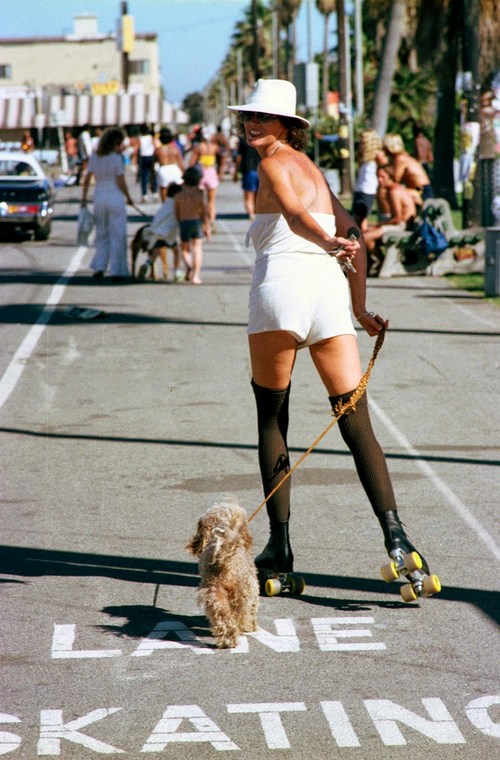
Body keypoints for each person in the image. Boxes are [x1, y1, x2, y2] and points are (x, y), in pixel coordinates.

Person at [227, 79, 434, 582]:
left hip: (282, 289)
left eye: (264, 119)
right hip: (327, 298)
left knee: (272, 418)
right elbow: (355, 235)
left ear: (288, 127)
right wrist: (359, 307)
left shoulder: (271, 164)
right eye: (249, 118)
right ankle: (398, 539)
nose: (254, 125)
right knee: (354, 417)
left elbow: (297, 218)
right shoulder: (314, 170)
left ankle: (280, 548)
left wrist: (324, 240)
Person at [81, 126, 134, 282]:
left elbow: (87, 179)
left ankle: (99, 266)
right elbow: (121, 181)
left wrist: (83, 199)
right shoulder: (116, 159)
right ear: (116, 143)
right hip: (115, 197)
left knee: (102, 234)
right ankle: (117, 270)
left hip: (99, 197)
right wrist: (128, 197)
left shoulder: (95, 157)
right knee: (118, 235)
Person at [363, 166, 418, 276]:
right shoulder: (395, 189)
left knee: (364, 237)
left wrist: (376, 225)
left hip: (403, 226)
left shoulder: (394, 191)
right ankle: (378, 263)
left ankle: (376, 263)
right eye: (378, 176)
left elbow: (397, 219)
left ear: (390, 177)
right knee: (367, 237)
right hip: (402, 224)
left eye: (383, 177)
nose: (379, 179)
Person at [139, 182, 184, 281]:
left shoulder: (165, 204)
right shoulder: (176, 204)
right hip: (168, 234)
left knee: (155, 253)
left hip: (156, 233)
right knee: (177, 251)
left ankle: (146, 264)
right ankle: (177, 272)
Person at [174, 166, 210, 284]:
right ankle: (196, 275)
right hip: (196, 222)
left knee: (184, 249)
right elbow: (204, 212)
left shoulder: (179, 195)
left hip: (184, 222)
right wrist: (207, 227)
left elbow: (176, 212)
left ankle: (189, 266)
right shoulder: (199, 195)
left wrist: (179, 222)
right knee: (197, 248)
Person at [382, 133, 433, 200]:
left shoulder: (400, 158)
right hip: (420, 188)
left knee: (395, 191)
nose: (382, 149)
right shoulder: (402, 156)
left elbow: (396, 179)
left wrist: (383, 168)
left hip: (421, 190)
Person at [351, 129, 383, 230]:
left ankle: (364, 241)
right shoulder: (364, 156)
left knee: (362, 219)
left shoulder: (377, 155)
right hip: (359, 189)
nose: (361, 143)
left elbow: (384, 171)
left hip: (368, 191)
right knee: (356, 219)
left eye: (363, 141)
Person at [189, 129, 219, 229]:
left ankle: (202, 222)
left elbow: (192, 163)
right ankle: (212, 220)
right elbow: (222, 157)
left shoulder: (198, 147)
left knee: (200, 200)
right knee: (211, 201)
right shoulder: (214, 147)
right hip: (211, 172)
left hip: (201, 173)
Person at [233, 136, 260, 219]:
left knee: (248, 196)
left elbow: (238, 158)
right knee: (258, 195)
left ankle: (251, 214)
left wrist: (236, 172)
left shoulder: (243, 140)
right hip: (260, 170)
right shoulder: (260, 139)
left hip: (248, 171)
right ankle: (257, 213)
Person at [155, 128, 184, 202]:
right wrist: (184, 174)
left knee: (164, 191)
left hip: (163, 169)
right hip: (174, 169)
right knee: (178, 191)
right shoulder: (175, 149)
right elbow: (181, 163)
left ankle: (166, 208)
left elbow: (153, 164)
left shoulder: (158, 150)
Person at [138, 124, 158, 202]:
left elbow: (138, 148)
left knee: (144, 175)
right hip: (151, 157)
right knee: (153, 175)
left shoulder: (140, 138)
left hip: (143, 157)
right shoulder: (151, 138)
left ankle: (144, 194)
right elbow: (156, 146)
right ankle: (155, 193)